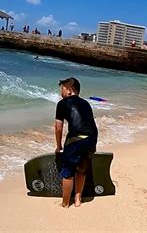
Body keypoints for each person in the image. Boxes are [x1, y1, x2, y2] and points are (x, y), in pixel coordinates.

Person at [55, 77, 98, 208]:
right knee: (82, 170)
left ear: (69, 89)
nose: (60, 93)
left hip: (75, 140)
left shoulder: (62, 104)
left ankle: (65, 203)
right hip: (91, 138)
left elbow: (58, 128)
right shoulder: (86, 103)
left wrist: (59, 146)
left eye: (62, 89)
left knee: (67, 173)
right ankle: (78, 199)